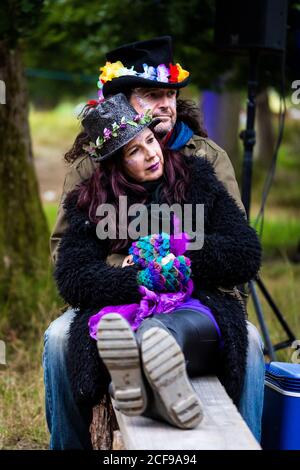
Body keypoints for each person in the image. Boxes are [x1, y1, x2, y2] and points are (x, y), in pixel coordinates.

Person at [43, 37, 265, 449]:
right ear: (123, 103)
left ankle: (242, 441)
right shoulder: (89, 171)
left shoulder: (206, 161)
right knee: (58, 339)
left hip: (199, 295)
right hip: (109, 296)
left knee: (250, 342)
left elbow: (238, 246)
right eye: (151, 95)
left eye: (170, 95)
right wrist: (130, 273)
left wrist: (175, 262)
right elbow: (66, 259)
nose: (165, 104)